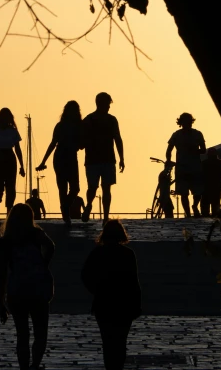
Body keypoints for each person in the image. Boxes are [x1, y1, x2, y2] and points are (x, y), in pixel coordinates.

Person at [0, 203, 55, 370]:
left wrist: (0, 301)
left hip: (17, 290)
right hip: (38, 288)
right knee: (40, 332)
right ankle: (35, 364)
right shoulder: (36, 234)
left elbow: (1, 273)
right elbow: (51, 246)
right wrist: (44, 263)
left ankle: (23, 366)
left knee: (22, 334)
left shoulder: (6, 241)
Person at [81, 219, 141, 370]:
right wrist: (137, 303)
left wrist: (96, 290)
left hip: (103, 303)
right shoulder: (128, 254)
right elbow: (134, 281)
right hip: (124, 304)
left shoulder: (97, 253)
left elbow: (85, 275)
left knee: (107, 342)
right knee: (121, 342)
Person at [36, 100, 83, 224]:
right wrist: (43, 161)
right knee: (62, 187)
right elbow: (53, 143)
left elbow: (82, 143)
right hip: (61, 155)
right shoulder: (61, 126)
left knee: (75, 188)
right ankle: (66, 215)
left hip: (71, 156)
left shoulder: (79, 126)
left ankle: (65, 206)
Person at [81, 92, 124, 223]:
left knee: (103, 188)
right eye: (107, 104)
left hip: (103, 159)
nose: (109, 107)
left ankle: (104, 216)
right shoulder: (92, 120)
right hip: (97, 159)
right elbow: (117, 139)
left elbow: (117, 139)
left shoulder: (107, 120)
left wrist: (122, 157)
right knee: (95, 187)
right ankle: (90, 206)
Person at [0, 108, 25, 220]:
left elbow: (17, 149)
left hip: (9, 158)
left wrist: (22, 166)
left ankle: (9, 209)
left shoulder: (12, 130)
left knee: (10, 185)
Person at [165, 112, 206, 217]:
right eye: (185, 122)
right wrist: (168, 160)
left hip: (195, 166)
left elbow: (204, 149)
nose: (188, 124)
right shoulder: (176, 135)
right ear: (181, 123)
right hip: (181, 167)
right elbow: (169, 150)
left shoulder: (198, 134)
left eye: (189, 122)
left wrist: (195, 151)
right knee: (183, 192)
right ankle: (188, 213)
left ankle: (194, 206)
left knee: (198, 192)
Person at [201, 147, 221, 217]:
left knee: (210, 208)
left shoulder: (204, 163)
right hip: (212, 188)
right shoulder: (220, 163)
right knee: (214, 208)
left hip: (209, 188)